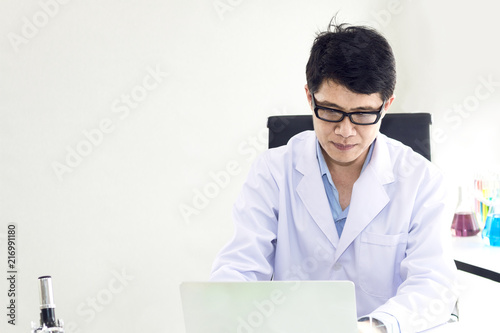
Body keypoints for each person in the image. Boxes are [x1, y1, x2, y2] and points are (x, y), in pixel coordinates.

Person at [210, 18, 459, 333]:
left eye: (363, 114)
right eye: (330, 111)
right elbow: (239, 268)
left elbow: (434, 286)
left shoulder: (422, 180)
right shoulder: (272, 172)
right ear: (309, 97)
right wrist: (224, 313)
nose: (345, 131)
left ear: (386, 106)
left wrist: (373, 328)